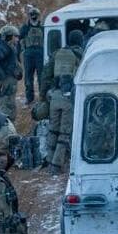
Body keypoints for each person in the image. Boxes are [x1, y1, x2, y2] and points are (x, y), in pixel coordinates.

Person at [40, 29, 84, 174]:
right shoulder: (82, 54)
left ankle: (49, 158)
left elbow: (45, 75)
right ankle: (56, 166)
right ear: (80, 40)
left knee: (53, 129)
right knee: (65, 133)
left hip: (55, 96)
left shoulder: (58, 53)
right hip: (68, 97)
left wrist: (43, 97)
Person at [18, 7, 44, 106]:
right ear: (29, 16)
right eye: (31, 14)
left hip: (40, 53)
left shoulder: (43, 27)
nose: (33, 16)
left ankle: (42, 97)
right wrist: (17, 54)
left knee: (41, 76)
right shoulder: (24, 28)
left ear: (38, 16)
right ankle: (29, 98)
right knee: (28, 77)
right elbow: (18, 41)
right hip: (28, 54)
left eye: (35, 14)